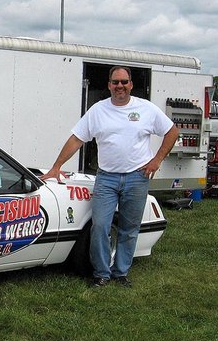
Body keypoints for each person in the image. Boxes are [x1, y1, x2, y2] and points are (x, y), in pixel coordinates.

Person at [40, 66, 179, 288]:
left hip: (137, 177)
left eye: (124, 82)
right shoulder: (98, 110)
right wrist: (57, 166)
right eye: (115, 82)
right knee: (100, 226)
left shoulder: (146, 109)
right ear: (109, 85)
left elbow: (172, 131)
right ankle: (101, 273)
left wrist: (157, 160)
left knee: (129, 228)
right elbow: (77, 139)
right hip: (106, 179)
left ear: (131, 84)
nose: (120, 86)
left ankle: (121, 272)